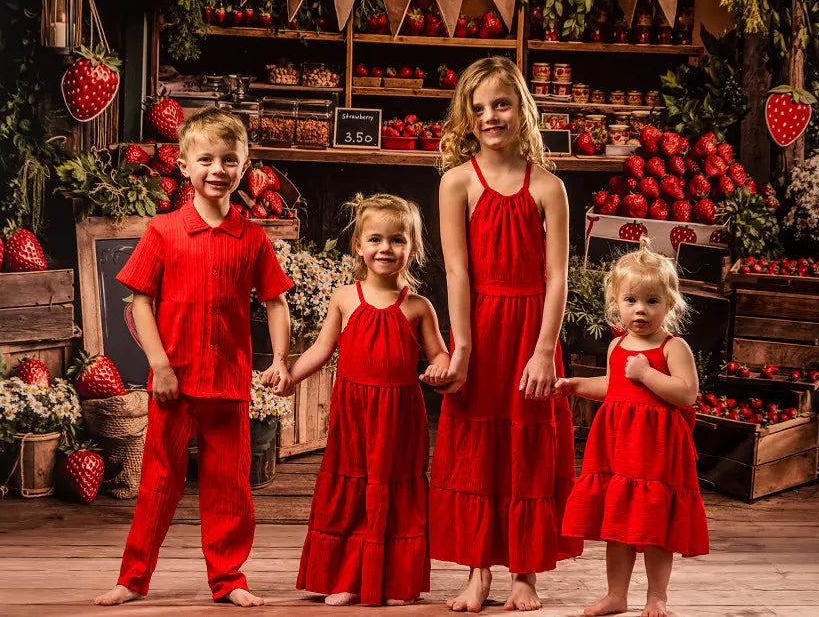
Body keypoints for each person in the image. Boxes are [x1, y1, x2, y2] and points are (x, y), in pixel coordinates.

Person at [94, 108, 294, 608]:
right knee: (158, 484)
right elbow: (139, 299)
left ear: (245, 166)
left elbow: (275, 301)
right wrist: (159, 364)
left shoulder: (252, 238)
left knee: (229, 489)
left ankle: (228, 580)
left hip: (228, 385)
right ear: (185, 165)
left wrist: (281, 360)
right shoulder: (163, 231)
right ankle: (133, 578)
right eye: (205, 159)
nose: (217, 169)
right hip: (174, 383)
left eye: (229, 159)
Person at [429, 56, 582, 612]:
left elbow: (557, 275)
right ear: (466, 118)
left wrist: (545, 353)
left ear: (523, 108)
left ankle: (526, 573)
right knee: (476, 447)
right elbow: (456, 271)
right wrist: (462, 347)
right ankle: (478, 571)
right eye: (479, 108)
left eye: (501, 104)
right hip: (481, 329)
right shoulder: (456, 183)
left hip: (532, 332)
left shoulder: (549, 188)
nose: (491, 116)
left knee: (530, 447)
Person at [293, 193, 450, 606]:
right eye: (376, 240)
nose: (386, 249)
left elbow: (439, 354)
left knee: (395, 491)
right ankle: (345, 578)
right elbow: (321, 349)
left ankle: (395, 580)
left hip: (399, 417)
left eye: (397, 240)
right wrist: (289, 378)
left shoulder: (418, 306)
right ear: (359, 246)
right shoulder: (345, 298)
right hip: (353, 414)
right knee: (351, 492)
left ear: (412, 248)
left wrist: (440, 368)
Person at [555, 237, 709, 617]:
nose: (640, 310)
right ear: (617, 303)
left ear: (669, 304)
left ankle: (657, 597)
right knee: (618, 526)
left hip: (656, 454)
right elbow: (613, 387)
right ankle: (616, 595)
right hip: (619, 451)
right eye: (631, 301)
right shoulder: (617, 346)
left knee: (655, 527)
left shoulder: (674, 347)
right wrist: (576, 386)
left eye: (652, 301)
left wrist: (647, 373)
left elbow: (686, 394)